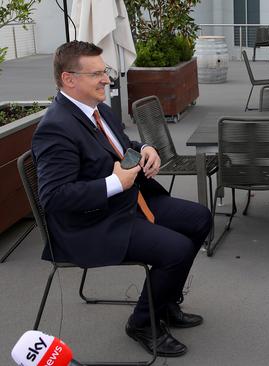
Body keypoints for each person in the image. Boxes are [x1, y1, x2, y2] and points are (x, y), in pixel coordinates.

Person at [31, 41, 212, 357]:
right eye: (97, 73)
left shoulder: (98, 109)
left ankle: (165, 302)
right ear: (68, 79)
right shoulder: (55, 128)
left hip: (124, 202)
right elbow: (55, 198)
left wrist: (144, 149)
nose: (106, 80)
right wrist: (114, 182)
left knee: (200, 218)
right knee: (176, 248)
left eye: (105, 71)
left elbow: (121, 143)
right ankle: (143, 322)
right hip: (91, 224)